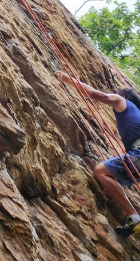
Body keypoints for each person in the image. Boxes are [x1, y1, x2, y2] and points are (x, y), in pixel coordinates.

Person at [55, 70, 140, 237]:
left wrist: (69, 79)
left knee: (101, 171)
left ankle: (134, 216)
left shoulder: (121, 100)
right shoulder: (136, 113)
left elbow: (96, 94)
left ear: (122, 95)